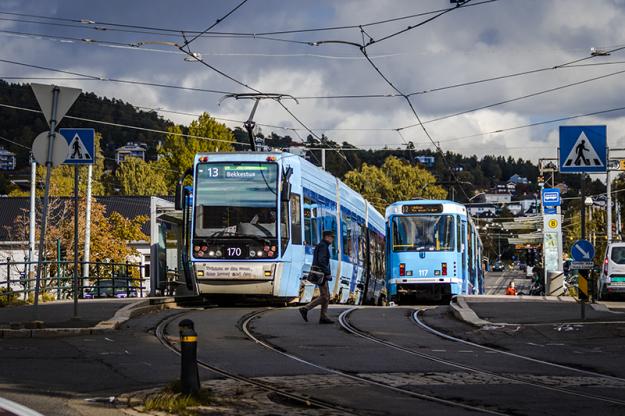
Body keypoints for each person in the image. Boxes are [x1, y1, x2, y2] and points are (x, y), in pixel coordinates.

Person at [299, 231, 335, 324]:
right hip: (321, 274)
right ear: (327, 237)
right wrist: (327, 273)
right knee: (325, 296)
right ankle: (306, 308)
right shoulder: (323, 246)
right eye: (332, 237)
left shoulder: (322, 245)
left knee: (326, 295)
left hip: (321, 274)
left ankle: (323, 316)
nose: (332, 239)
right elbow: (322, 261)